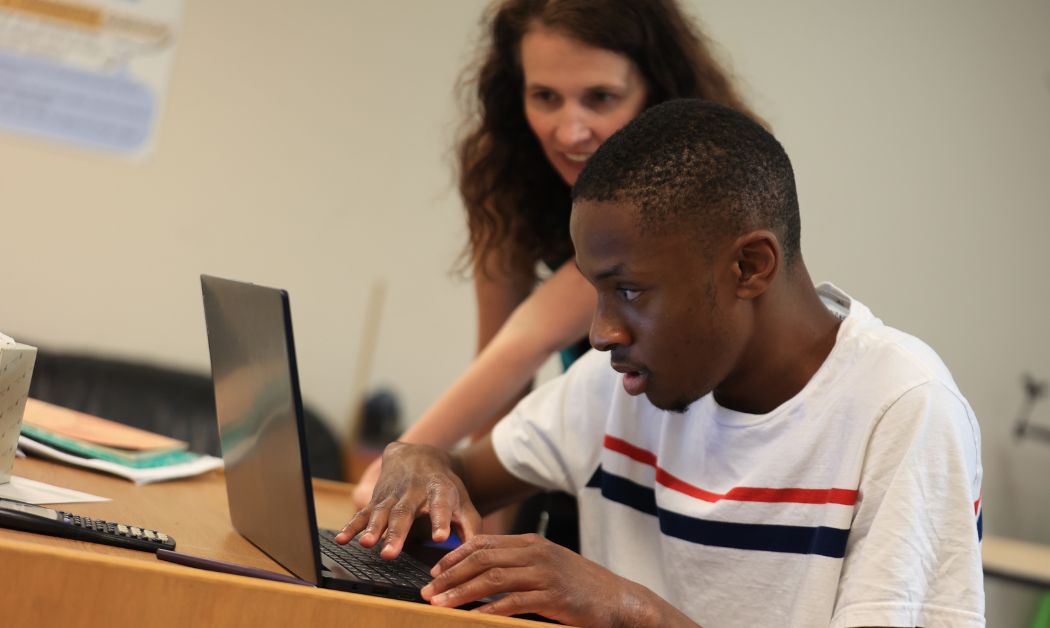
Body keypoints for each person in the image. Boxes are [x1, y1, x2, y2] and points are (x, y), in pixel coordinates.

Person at [337, 100, 985, 627]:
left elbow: (626, 610)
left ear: (749, 266)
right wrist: (421, 461)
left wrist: (631, 610)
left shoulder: (904, 410)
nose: (600, 333)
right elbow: (459, 477)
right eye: (596, 292)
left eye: (628, 291)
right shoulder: (618, 382)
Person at [351, 0, 760, 546]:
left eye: (601, 98)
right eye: (545, 96)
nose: (569, 132)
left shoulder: (699, 183)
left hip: (697, 470)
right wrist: (473, 541)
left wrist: (393, 472)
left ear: (656, 90)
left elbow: (529, 338)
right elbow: (499, 368)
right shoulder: (507, 176)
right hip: (588, 461)